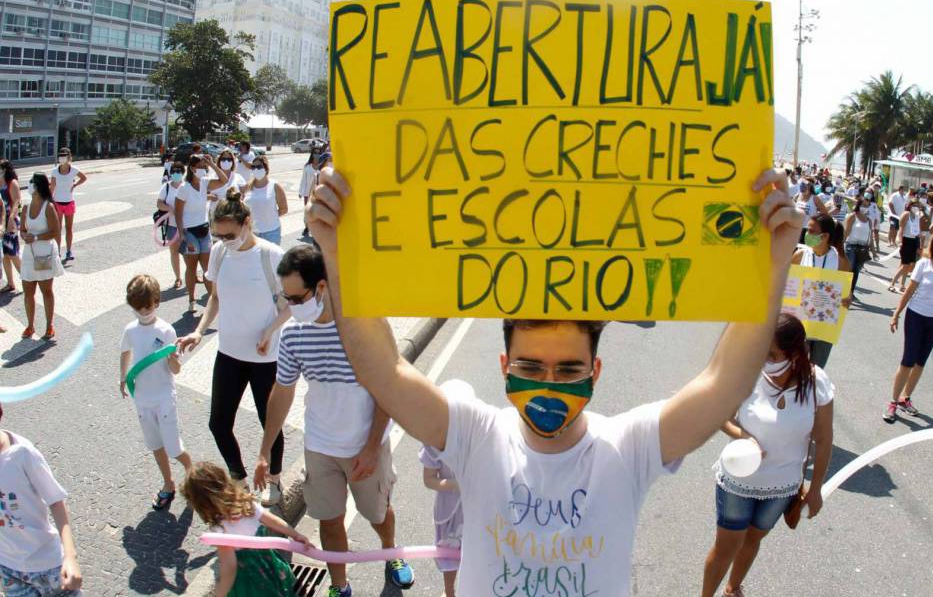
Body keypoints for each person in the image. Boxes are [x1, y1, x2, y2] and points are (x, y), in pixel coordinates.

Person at [304, 166, 802, 595]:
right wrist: (336, 251)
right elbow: (384, 371)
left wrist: (772, 265)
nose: (548, 385)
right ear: (503, 369)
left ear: (595, 372)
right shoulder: (475, 436)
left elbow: (722, 386)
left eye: (568, 370)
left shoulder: (628, 447)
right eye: (529, 368)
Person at [252, 245, 415, 594]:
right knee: (329, 519)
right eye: (286, 299)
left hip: (365, 444)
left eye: (298, 298)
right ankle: (340, 586)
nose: (291, 307)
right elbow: (283, 391)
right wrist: (265, 450)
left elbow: (387, 388)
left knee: (378, 512)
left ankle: (392, 553)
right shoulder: (294, 334)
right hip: (320, 445)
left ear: (322, 287)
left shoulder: (362, 325)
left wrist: (372, 448)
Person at [700, 314, 834, 597]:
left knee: (753, 538)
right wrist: (744, 436)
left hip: (782, 487)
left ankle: (733, 589)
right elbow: (721, 415)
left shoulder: (817, 382)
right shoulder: (747, 371)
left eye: (772, 354)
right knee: (726, 546)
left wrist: (817, 488)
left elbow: (823, 439)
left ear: (795, 352)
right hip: (739, 481)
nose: (766, 359)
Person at [177, 191, 287, 506]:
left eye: (230, 234)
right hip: (229, 353)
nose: (224, 240)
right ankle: (238, 478)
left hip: (266, 358)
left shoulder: (272, 255)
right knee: (219, 423)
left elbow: (291, 304)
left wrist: (269, 330)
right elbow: (215, 297)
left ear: (247, 223)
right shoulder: (219, 253)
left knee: (271, 424)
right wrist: (199, 331)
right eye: (218, 235)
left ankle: (275, 481)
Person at [120, 274, 192, 511]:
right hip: (142, 398)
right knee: (155, 444)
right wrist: (123, 376)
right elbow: (125, 352)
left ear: (157, 302)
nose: (144, 312)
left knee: (174, 447)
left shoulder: (167, 330)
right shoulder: (130, 330)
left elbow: (176, 369)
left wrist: (173, 359)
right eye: (138, 308)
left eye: (148, 306)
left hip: (163, 398)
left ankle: (193, 476)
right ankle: (168, 483)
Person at [181, 462, 308, 596]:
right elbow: (272, 521)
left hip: (250, 581)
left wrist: (220, 592)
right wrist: (296, 535)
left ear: (201, 504)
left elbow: (229, 566)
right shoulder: (246, 505)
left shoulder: (220, 530)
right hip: (270, 566)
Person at [0, 403, 82, 596]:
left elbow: (56, 501)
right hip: (8, 568)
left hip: (48, 564)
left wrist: (70, 557)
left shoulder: (21, 454)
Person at [884, 229, 933, 422]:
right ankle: (892, 402)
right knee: (908, 360)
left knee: (920, 363)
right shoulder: (924, 264)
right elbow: (909, 291)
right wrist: (896, 313)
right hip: (916, 316)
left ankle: (905, 398)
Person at [794, 214, 851, 367]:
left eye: (811, 231)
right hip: (800, 325)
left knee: (816, 373)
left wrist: (847, 299)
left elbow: (847, 294)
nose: (807, 233)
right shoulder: (800, 256)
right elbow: (786, 286)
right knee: (796, 370)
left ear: (825, 236)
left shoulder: (840, 261)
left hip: (824, 328)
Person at [19, 172, 64, 339]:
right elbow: (22, 229)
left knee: (46, 291)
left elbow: (56, 231)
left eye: (31, 182)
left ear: (38, 186)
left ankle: (49, 325)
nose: (29, 185)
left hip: (44, 253)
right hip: (29, 255)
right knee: (28, 292)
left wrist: (36, 237)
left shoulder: (48, 207)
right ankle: (30, 326)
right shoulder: (26, 207)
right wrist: (24, 235)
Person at [421, 436, 462, 597]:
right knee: (450, 552)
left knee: (478, 552)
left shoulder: (479, 437)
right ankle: (449, 591)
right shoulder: (435, 442)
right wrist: (456, 484)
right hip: (450, 509)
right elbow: (429, 479)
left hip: (477, 507)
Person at [175, 156, 214, 312]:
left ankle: (212, 300)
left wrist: (211, 163)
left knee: (207, 269)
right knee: (191, 267)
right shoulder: (184, 188)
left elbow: (223, 180)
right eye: (200, 166)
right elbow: (178, 212)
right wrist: (181, 234)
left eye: (204, 167)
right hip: (189, 232)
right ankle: (191, 299)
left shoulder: (205, 183)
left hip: (205, 230)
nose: (203, 169)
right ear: (192, 169)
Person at [48, 148, 86, 263]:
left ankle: (69, 251)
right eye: (60, 155)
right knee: (58, 228)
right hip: (57, 202)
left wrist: (75, 184)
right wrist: (48, 200)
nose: (62, 158)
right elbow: (53, 186)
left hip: (69, 202)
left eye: (64, 155)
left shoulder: (74, 170)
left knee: (69, 229)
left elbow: (84, 178)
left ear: (69, 157)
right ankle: (57, 251)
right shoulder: (55, 171)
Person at [244, 157, 287, 245]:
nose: (256, 169)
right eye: (253, 167)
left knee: (271, 258)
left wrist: (269, 216)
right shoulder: (248, 186)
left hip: (271, 232)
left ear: (266, 168)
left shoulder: (275, 185)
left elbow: (284, 209)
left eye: (259, 167)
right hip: (252, 233)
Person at [888, 198, 926, 293]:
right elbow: (901, 229)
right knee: (905, 264)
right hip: (906, 240)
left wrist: (921, 239)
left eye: (917, 206)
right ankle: (892, 283)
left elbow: (918, 230)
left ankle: (902, 284)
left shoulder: (917, 216)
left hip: (914, 241)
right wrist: (900, 241)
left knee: (910, 265)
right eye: (914, 205)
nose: (916, 207)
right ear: (909, 205)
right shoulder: (906, 214)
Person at [156, 163, 185, 289]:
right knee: (174, 252)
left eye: (179, 171)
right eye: (174, 171)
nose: (177, 173)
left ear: (183, 172)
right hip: (172, 226)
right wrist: (169, 209)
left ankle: (193, 274)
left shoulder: (187, 186)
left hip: (187, 225)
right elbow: (159, 203)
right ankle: (178, 278)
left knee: (189, 253)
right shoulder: (166, 187)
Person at [845, 191, 875, 299]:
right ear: (859, 205)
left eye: (867, 206)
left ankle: (851, 292)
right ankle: (845, 291)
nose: (865, 207)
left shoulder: (869, 220)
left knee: (856, 271)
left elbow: (870, 237)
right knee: (849, 269)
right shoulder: (852, 216)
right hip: (851, 246)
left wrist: (874, 252)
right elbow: (846, 233)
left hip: (862, 248)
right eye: (863, 205)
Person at [1, 159, 20, 294]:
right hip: (2, 221)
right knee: (6, 255)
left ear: (6, 169)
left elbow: (16, 203)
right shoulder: (0, 182)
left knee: (13, 253)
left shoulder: (12, 183)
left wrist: (11, 221)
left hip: (11, 221)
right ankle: (10, 283)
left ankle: (27, 279)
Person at [299, 150, 321, 238]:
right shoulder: (307, 167)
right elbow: (303, 180)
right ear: (312, 154)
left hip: (319, 194)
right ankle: (307, 228)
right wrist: (301, 192)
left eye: (319, 153)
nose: (317, 155)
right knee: (308, 212)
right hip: (308, 194)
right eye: (315, 153)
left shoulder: (323, 167)